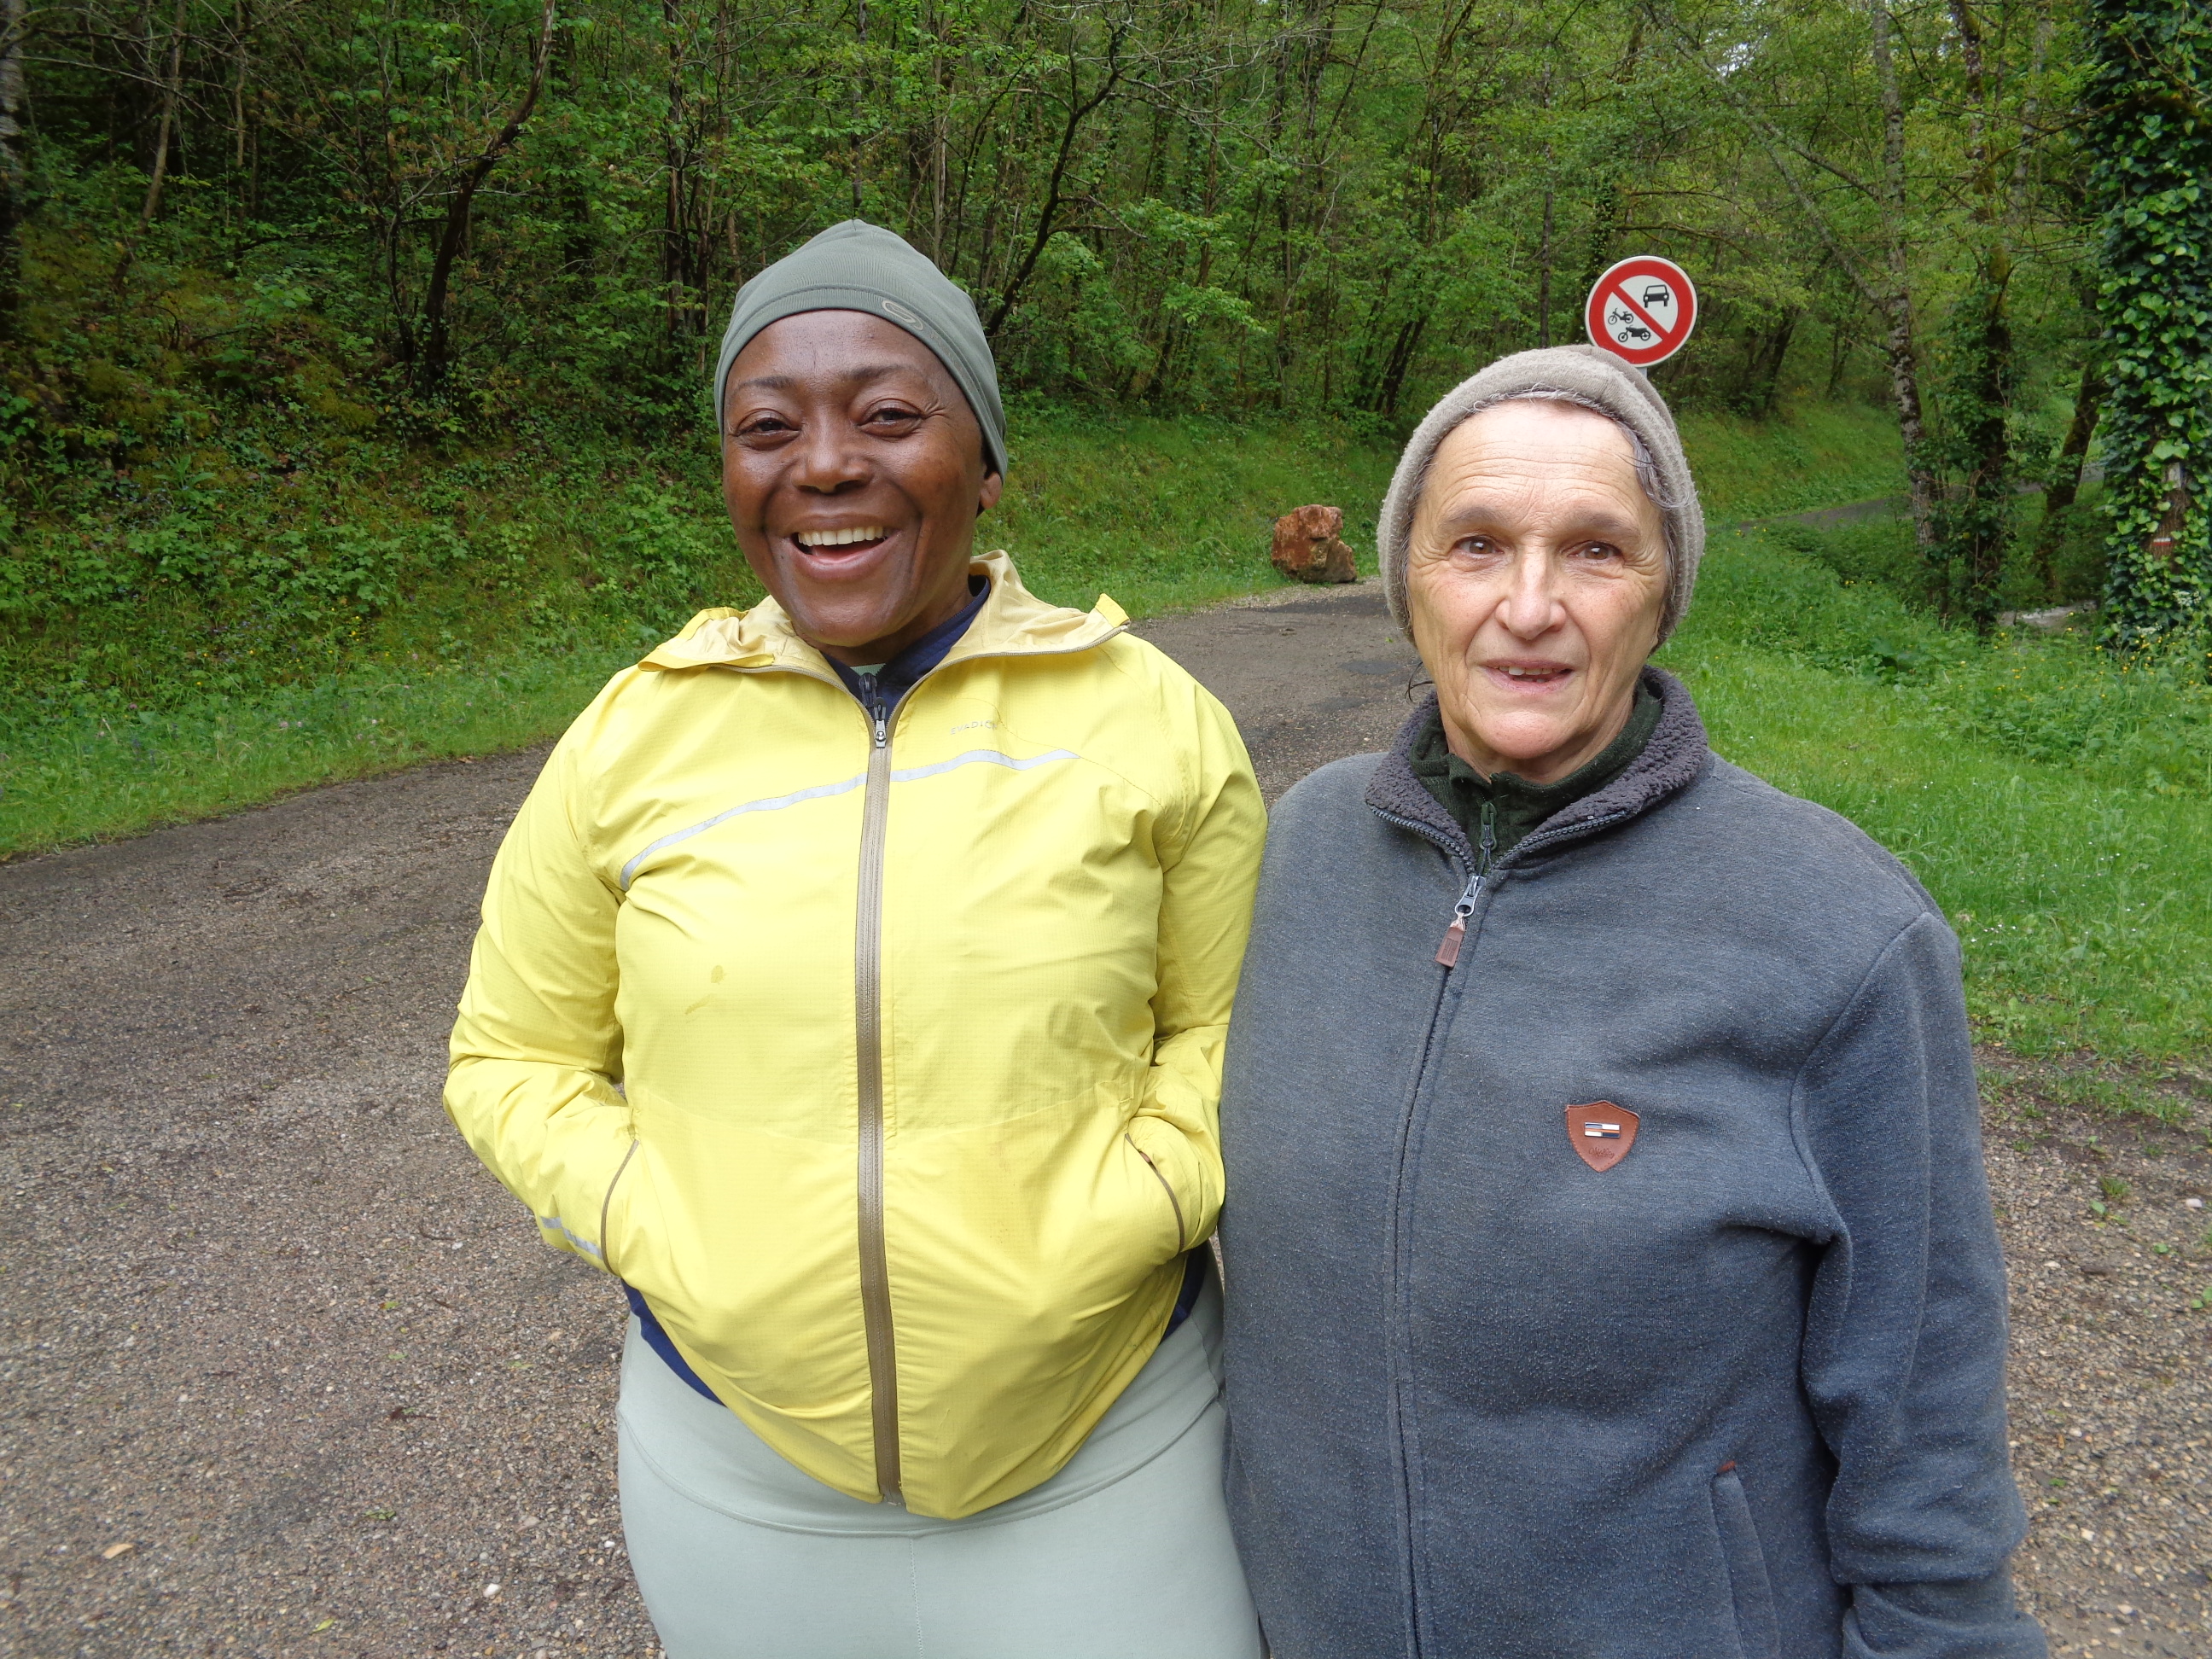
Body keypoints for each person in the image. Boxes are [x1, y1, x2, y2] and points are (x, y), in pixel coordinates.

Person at [445, 220, 1266, 1659]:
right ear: (733, 477)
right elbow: (510, 1056)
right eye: (769, 428)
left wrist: (1132, 1204)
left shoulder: (1153, 718)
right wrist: (666, 1226)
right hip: (736, 1475)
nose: (824, 464)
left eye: (891, 415)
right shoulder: (634, 733)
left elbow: (1234, 1032)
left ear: (989, 463)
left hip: (1109, 1447)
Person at [1217, 345, 2046, 1659]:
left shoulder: (1840, 931)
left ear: (1663, 595)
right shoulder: (1294, 853)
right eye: (1475, 545)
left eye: (1596, 551)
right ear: (1405, 583)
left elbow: (1923, 1411)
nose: (1529, 605)